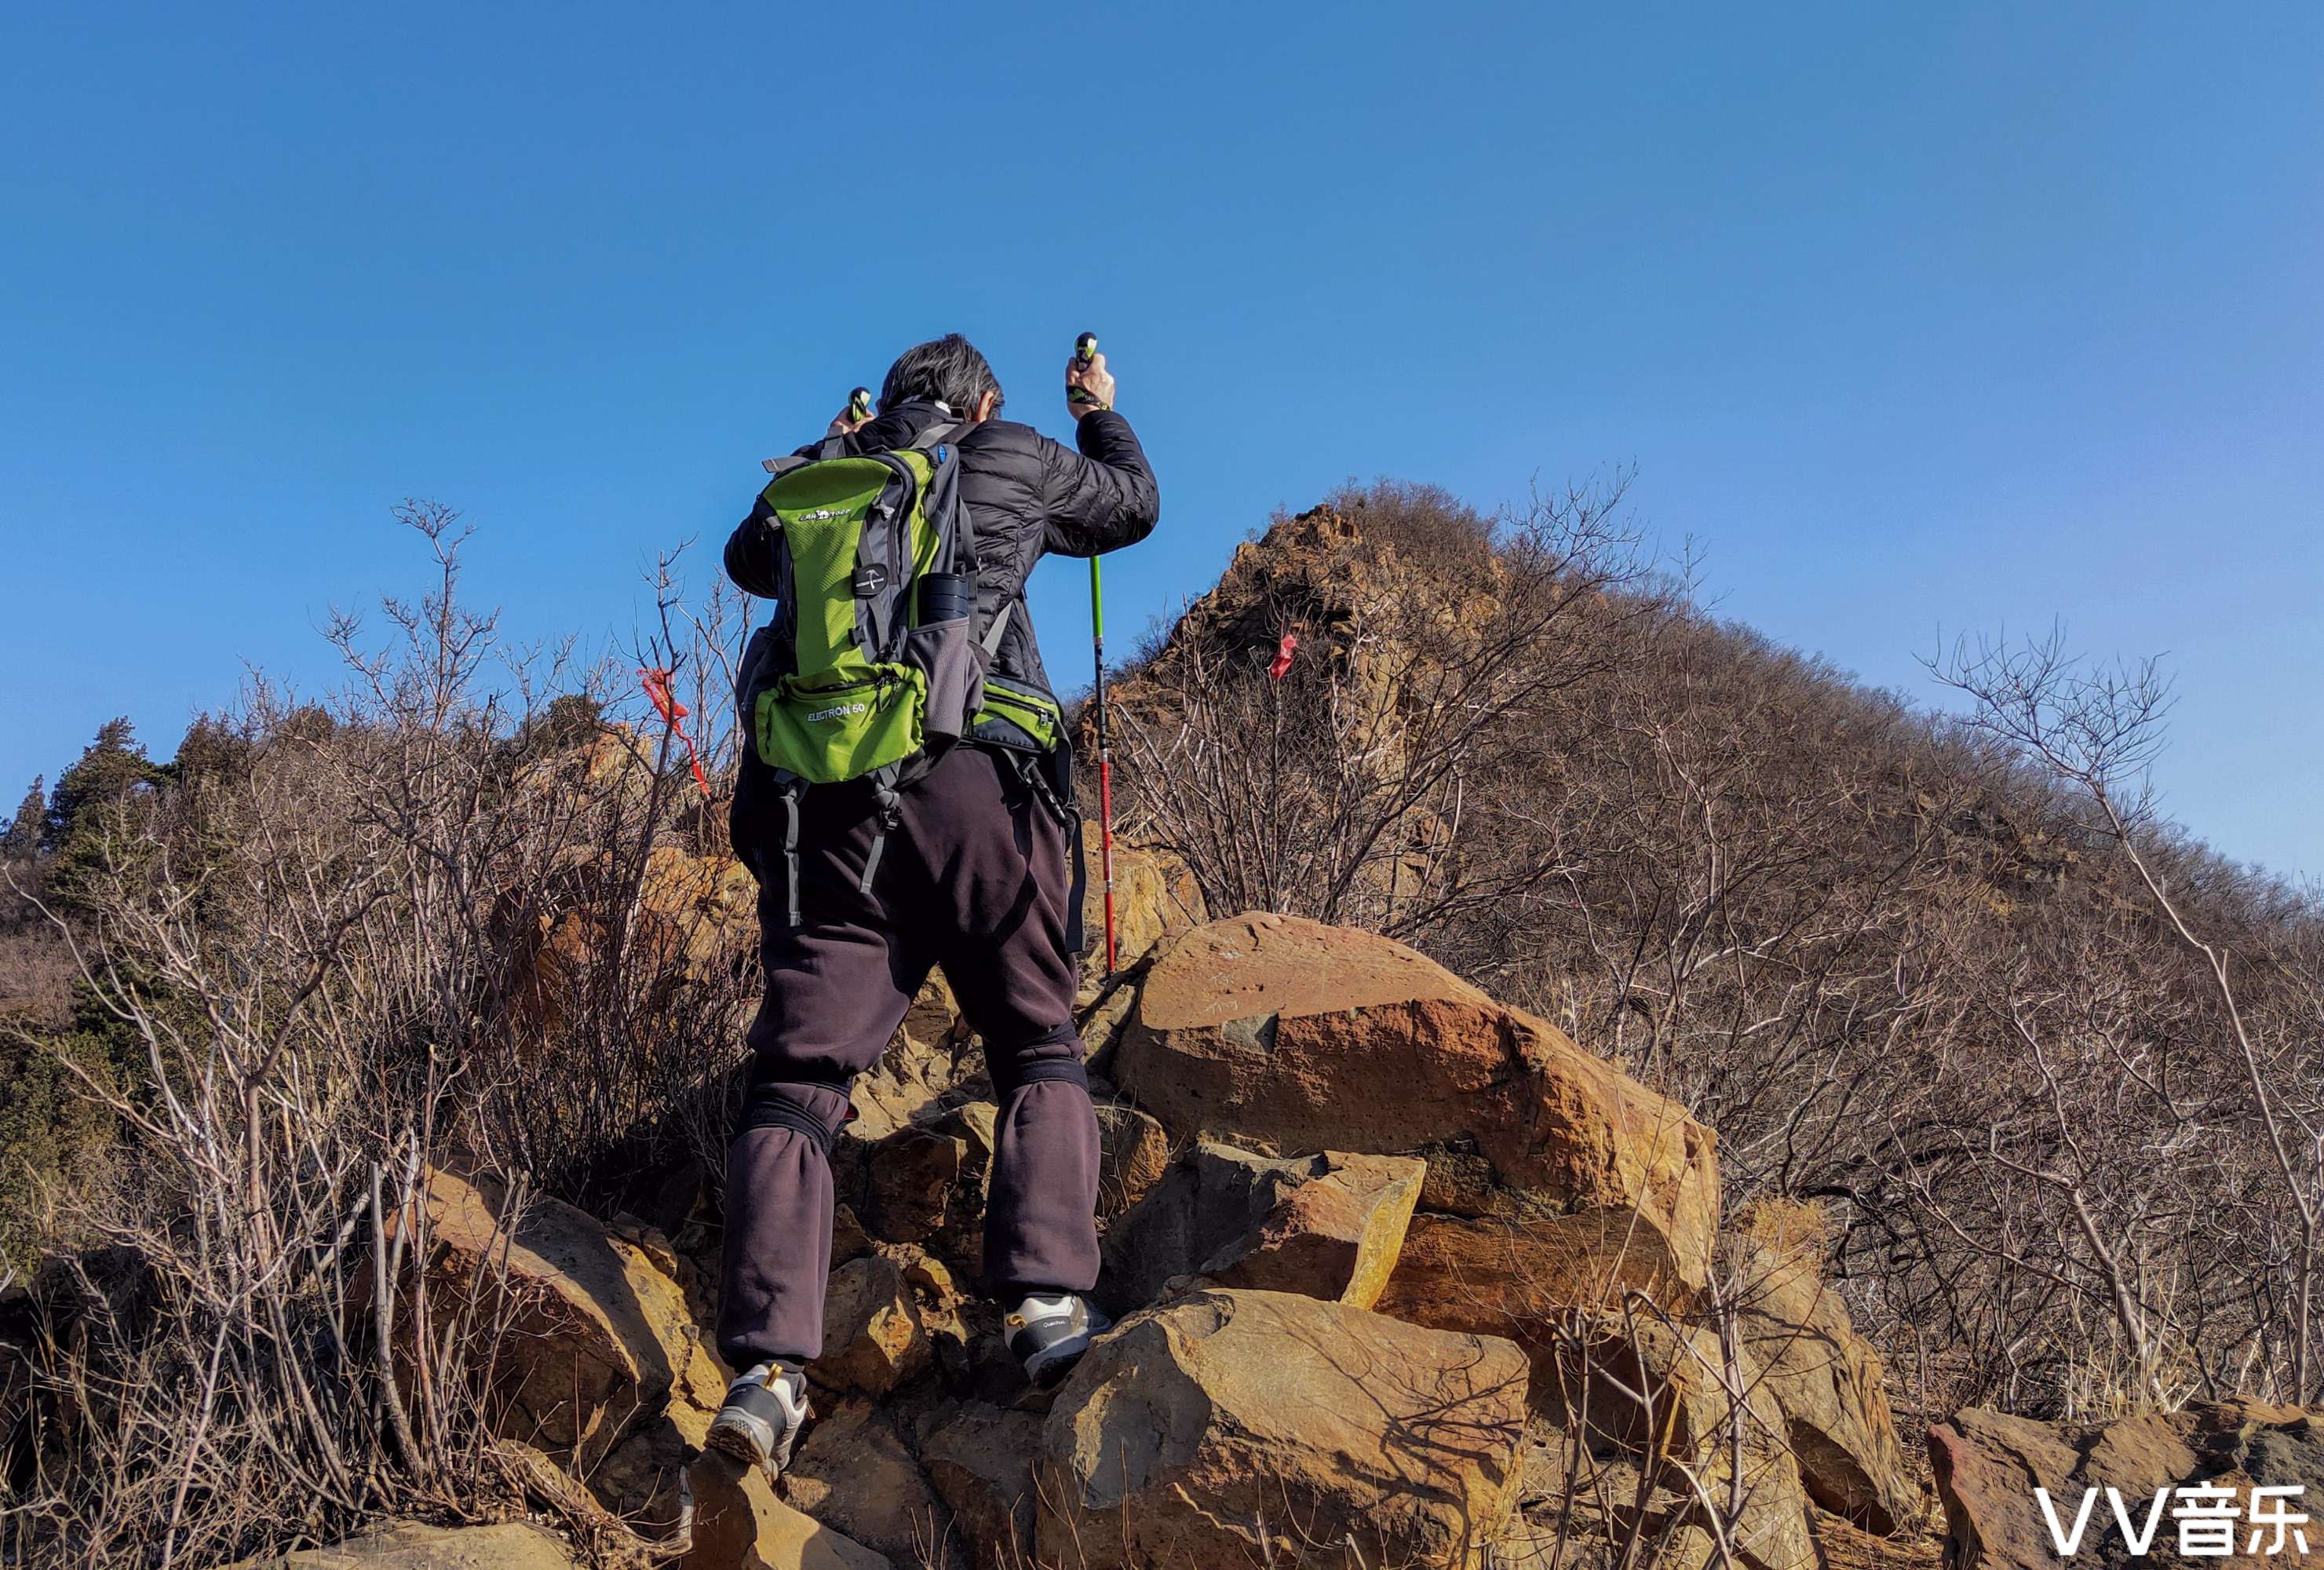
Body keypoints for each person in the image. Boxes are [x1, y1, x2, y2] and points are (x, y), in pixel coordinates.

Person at [707, 334, 1158, 1475]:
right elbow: (1132, 509)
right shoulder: (1011, 453)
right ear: (983, 400)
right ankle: (1047, 1308)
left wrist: (834, 447)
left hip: (829, 809)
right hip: (978, 791)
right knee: (1033, 1041)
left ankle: (766, 1375)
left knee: (798, 1085)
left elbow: (749, 561)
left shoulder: (832, 480)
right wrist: (1097, 410)